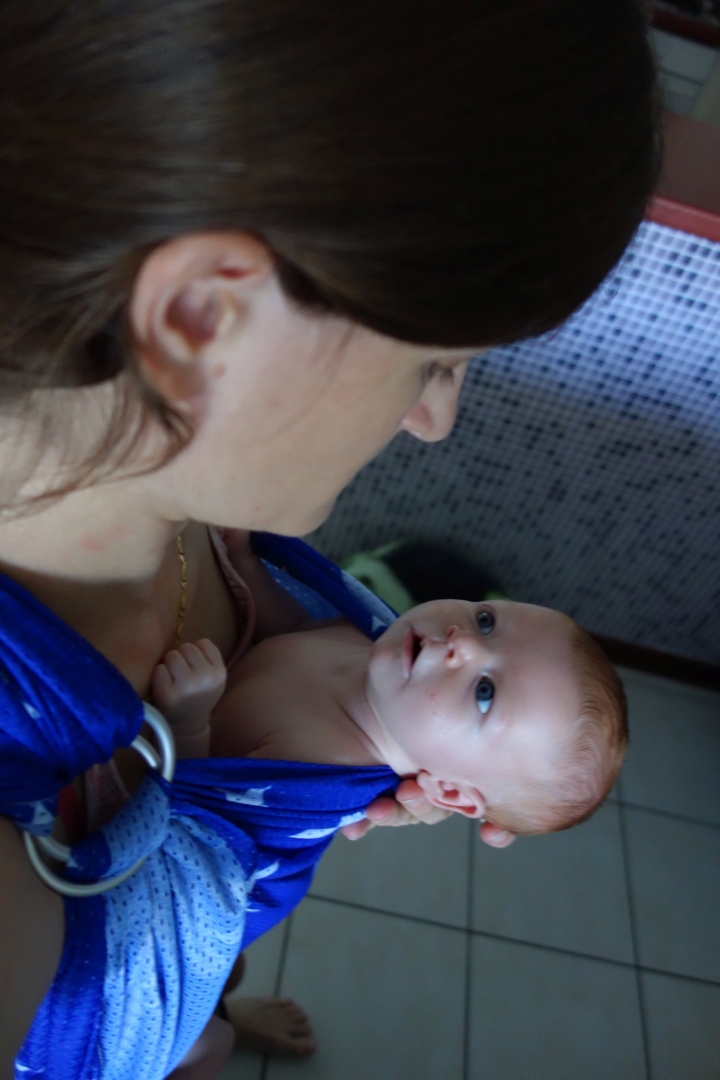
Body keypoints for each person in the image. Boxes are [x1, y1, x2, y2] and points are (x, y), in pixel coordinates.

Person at [0, 1, 657, 1078]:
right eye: (436, 361)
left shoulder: (192, 500)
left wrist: (335, 776)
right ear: (198, 317)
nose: (433, 420)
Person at [152, 531, 627, 849]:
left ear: (449, 791)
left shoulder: (317, 765)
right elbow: (292, 631)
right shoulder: (369, 647)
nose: (463, 642)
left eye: (485, 692)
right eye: (486, 622)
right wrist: (245, 563)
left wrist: (188, 720)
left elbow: (194, 814)